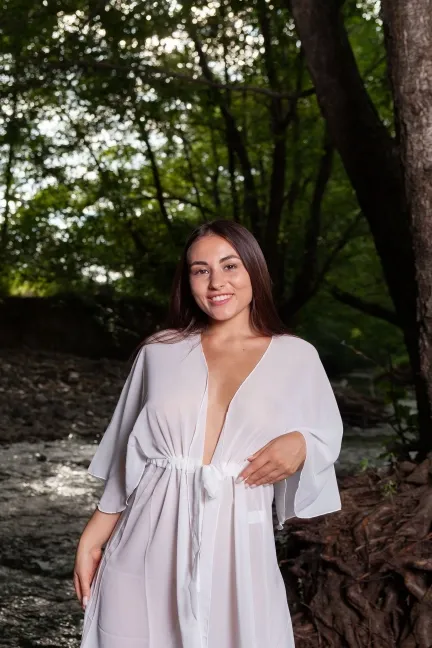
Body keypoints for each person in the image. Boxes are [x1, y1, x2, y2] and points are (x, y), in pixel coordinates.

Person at [74, 219, 343, 648]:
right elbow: (128, 457)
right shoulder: (159, 352)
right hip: (147, 541)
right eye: (201, 270)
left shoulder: (297, 357)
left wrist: (303, 444)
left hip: (238, 547)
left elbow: (326, 435)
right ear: (188, 281)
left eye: (230, 265)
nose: (216, 282)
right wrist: (92, 538)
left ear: (254, 270)